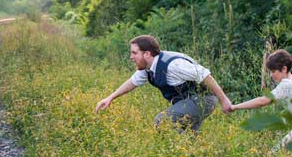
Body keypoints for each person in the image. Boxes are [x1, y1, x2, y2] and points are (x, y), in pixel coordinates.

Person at [95, 35, 232, 132]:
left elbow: (205, 76)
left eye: (134, 53)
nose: (131, 57)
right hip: (188, 101)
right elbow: (132, 82)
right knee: (188, 137)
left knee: (162, 121)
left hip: (202, 99)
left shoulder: (173, 65)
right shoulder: (148, 67)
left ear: (147, 54)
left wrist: (224, 100)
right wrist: (110, 97)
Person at [231, 49, 292, 149]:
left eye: (273, 71)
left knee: (276, 156)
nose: (271, 75)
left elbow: (263, 101)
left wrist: (235, 107)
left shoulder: (286, 84)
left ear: (284, 69)